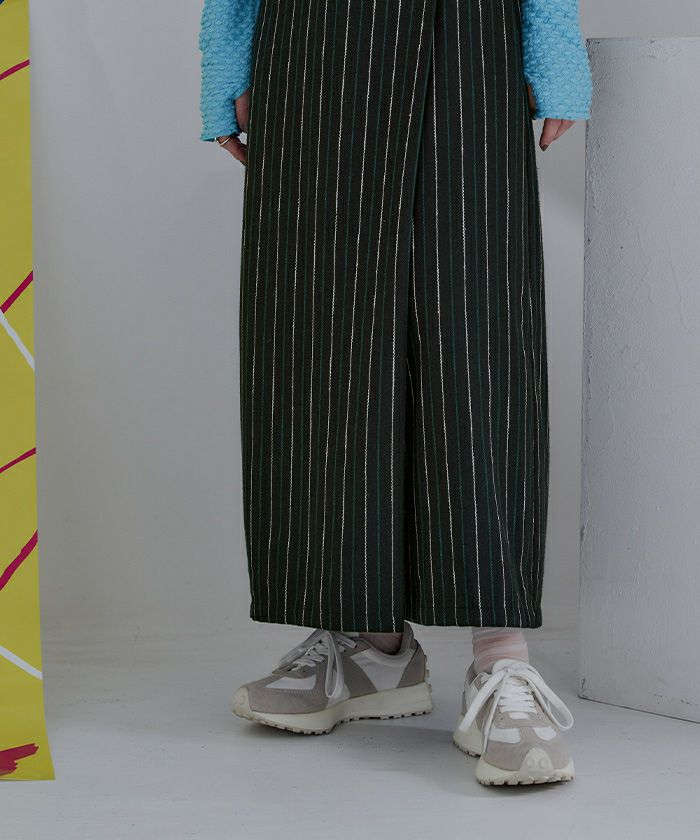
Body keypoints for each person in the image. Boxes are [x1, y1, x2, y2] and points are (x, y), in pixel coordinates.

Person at [199, 0, 591, 786]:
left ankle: (500, 656)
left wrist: (553, 44)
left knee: (476, 321)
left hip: (468, 32)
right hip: (310, 39)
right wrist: (228, 58)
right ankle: (367, 643)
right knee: (318, 328)